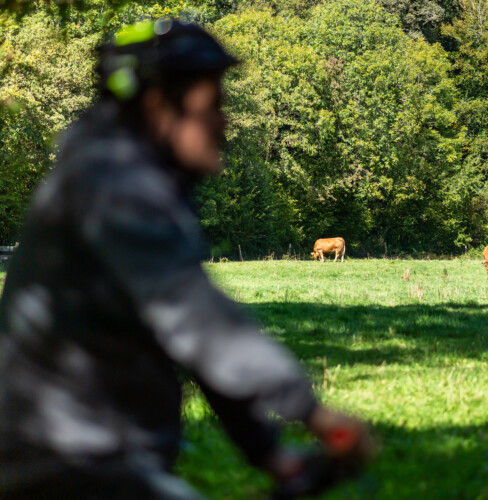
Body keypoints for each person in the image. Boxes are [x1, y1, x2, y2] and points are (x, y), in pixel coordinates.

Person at [0, 19, 371, 499]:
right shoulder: (116, 190)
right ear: (158, 104)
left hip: (92, 455)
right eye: (212, 104)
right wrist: (313, 413)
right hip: (63, 463)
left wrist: (267, 452)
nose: (223, 121)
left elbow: (190, 343)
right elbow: (197, 317)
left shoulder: (122, 178)